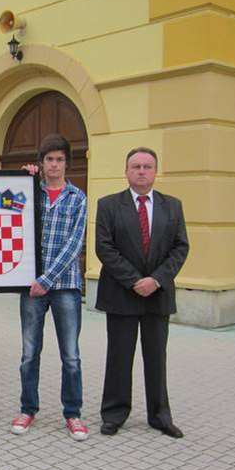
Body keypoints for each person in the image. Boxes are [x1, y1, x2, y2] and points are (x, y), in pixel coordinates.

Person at [96, 147, 189, 439]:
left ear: (155, 172)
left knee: (156, 357)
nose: (141, 171)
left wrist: (156, 280)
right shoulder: (109, 205)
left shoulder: (172, 206)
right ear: (126, 171)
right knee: (119, 358)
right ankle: (114, 414)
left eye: (147, 166)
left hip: (158, 295)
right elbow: (104, 247)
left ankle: (160, 415)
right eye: (135, 166)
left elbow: (180, 247)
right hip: (122, 293)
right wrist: (136, 280)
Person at [9, 134, 89, 441]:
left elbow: (74, 246)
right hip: (30, 288)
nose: (54, 165)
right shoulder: (29, 193)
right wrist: (21, 178)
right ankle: (28, 408)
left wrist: (47, 279)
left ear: (66, 163)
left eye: (59, 160)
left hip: (65, 287)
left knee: (71, 354)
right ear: (41, 164)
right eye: (48, 160)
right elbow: (6, 216)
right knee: (30, 352)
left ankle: (73, 413)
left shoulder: (77, 198)